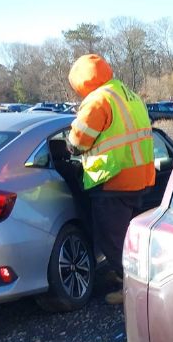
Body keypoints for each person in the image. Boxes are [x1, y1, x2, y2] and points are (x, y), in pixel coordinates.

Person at [66, 54, 154, 305]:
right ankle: (131, 278)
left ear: (81, 81)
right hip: (138, 178)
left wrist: (70, 147)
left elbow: (77, 141)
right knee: (130, 240)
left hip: (112, 180)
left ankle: (131, 291)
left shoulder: (97, 100)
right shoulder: (128, 94)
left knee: (113, 243)